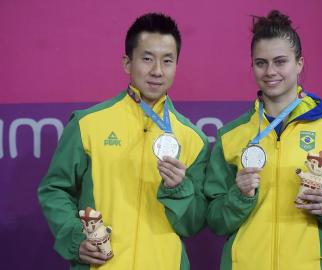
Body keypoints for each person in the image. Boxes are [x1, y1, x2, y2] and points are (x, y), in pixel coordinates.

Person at [204, 10, 322, 270]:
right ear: (251, 66)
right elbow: (215, 219)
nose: (270, 71)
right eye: (261, 62)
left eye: (280, 61)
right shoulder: (231, 135)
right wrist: (239, 196)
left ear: (299, 63)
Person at [38, 13, 209, 270]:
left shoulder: (193, 138)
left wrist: (178, 189)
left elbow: (194, 223)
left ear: (176, 66)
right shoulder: (88, 124)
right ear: (127, 63)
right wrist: (76, 238)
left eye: (167, 61)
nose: (157, 71)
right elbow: (55, 190)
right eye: (147, 59)